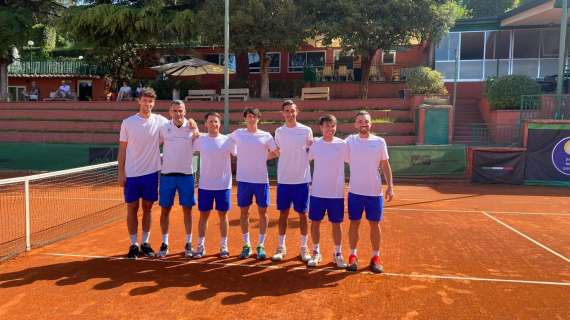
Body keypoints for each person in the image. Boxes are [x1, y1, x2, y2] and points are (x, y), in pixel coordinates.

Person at [118, 87, 168, 259]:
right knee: (132, 208)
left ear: (154, 103)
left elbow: (178, 124)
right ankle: (133, 244)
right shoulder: (127, 122)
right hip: (131, 174)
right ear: (138, 101)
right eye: (144, 100)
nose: (147, 104)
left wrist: (190, 122)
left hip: (151, 173)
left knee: (148, 208)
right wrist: (121, 172)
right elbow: (122, 150)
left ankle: (145, 243)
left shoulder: (160, 121)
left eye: (150, 101)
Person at [345, 110, 394, 273]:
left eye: (366, 121)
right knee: (354, 223)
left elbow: (385, 165)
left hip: (374, 192)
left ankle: (375, 257)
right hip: (355, 192)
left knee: (375, 224)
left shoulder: (380, 141)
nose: (363, 124)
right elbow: (333, 148)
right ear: (355, 124)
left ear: (371, 123)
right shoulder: (350, 141)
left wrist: (390, 187)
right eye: (359, 121)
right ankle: (352, 255)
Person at [229, 108, 278, 260]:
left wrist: (263, 157)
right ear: (245, 118)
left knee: (263, 212)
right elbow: (221, 140)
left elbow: (275, 152)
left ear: (258, 119)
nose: (251, 119)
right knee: (244, 213)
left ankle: (261, 245)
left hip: (261, 180)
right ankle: (246, 245)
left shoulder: (266, 135)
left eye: (254, 117)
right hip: (243, 180)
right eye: (249, 116)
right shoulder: (237, 133)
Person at [156, 100, 199, 258]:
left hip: (186, 176)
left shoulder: (192, 126)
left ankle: (188, 242)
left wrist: (195, 128)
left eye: (180, 111)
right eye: (175, 111)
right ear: (170, 112)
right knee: (165, 210)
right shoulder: (163, 128)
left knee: (187, 210)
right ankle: (164, 243)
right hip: (167, 176)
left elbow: (199, 141)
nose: (178, 114)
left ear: (185, 111)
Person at [271, 100, 313, 262]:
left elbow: (310, 149)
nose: (290, 113)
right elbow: (278, 151)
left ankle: (304, 248)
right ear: (283, 113)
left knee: (303, 214)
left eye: (292, 111)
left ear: (297, 112)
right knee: (283, 214)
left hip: (302, 180)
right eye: (287, 111)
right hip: (284, 179)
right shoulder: (279, 131)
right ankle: (281, 247)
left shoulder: (306, 130)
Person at [193, 112, 236, 259]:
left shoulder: (227, 141)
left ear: (219, 124)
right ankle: (200, 246)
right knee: (203, 216)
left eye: (216, 122)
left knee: (223, 215)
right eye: (210, 122)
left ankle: (224, 246)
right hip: (205, 186)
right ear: (206, 124)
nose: (213, 124)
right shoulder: (200, 140)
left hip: (224, 186)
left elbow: (240, 154)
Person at [306, 115, 348, 268]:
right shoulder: (315, 144)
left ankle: (337, 254)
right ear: (321, 128)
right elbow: (305, 158)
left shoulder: (343, 145)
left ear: (336, 127)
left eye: (332, 126)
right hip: (317, 192)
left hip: (336, 194)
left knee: (336, 224)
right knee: (315, 223)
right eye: (326, 126)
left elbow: (353, 160)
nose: (330, 129)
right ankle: (316, 252)